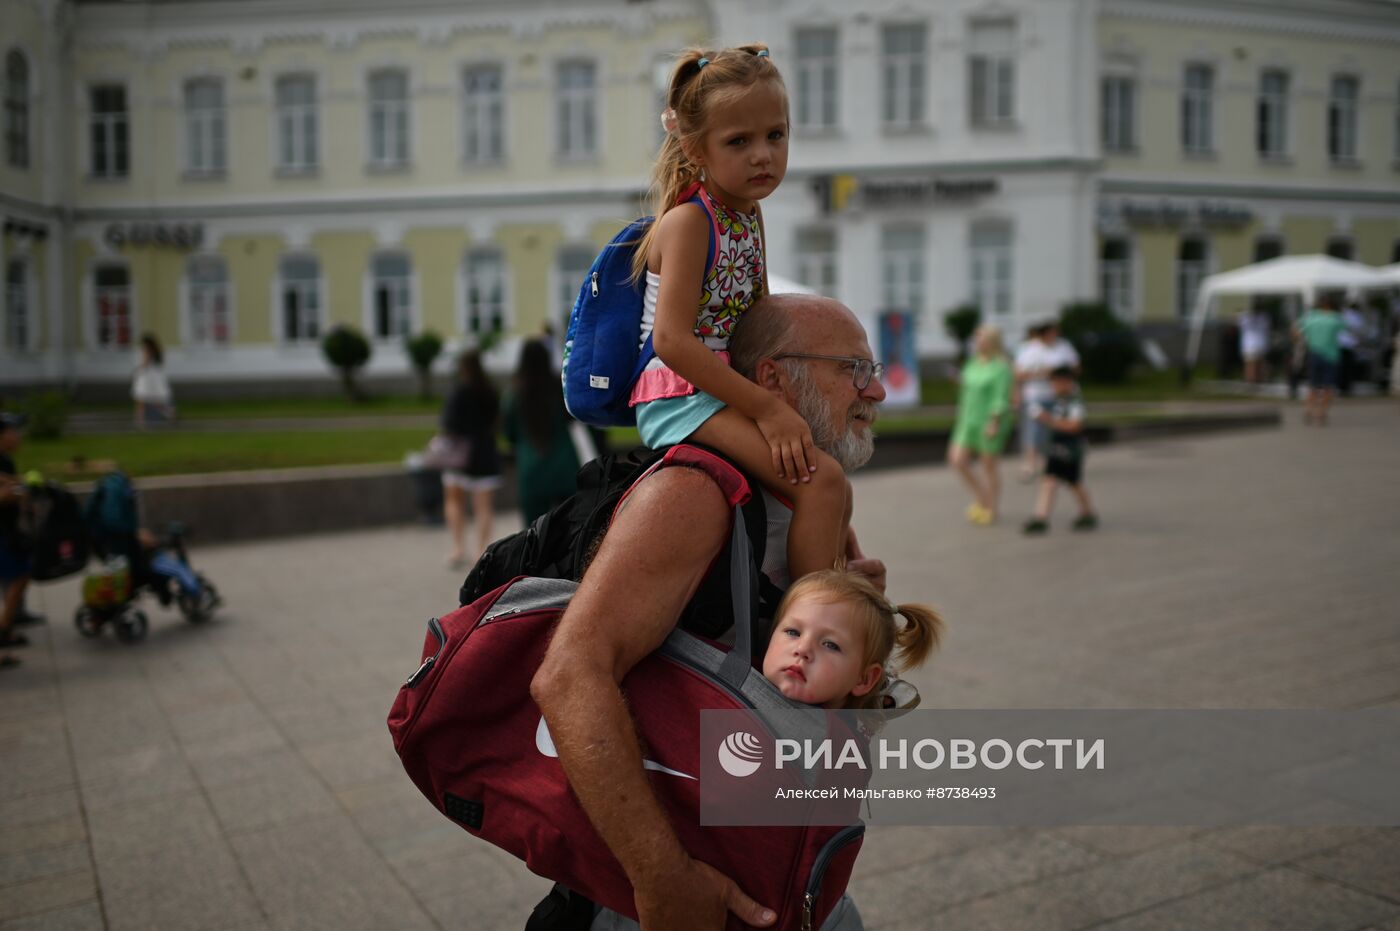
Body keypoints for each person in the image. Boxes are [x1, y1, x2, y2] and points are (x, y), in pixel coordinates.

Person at [531, 294, 885, 931]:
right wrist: (663, 879)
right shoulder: (693, 493)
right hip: (676, 880)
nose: (878, 390)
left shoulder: (819, 503)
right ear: (773, 378)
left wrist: (860, 640)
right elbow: (569, 675)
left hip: (773, 852)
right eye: (853, 369)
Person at [630, 43, 849, 584]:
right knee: (820, 481)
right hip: (679, 396)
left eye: (776, 135)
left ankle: (838, 576)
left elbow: (759, 320)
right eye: (739, 141)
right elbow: (672, 342)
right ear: (695, 148)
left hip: (722, 385)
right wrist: (769, 410)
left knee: (821, 463)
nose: (763, 155)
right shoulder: (690, 223)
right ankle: (805, 624)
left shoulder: (747, 217)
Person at [761, 569, 942, 709]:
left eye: (830, 645)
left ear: (863, 679)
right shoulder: (735, 671)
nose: (803, 649)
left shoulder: (836, 749)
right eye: (793, 632)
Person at [504, 339, 582, 525]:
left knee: (533, 535)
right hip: (564, 468)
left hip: (531, 470)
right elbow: (575, 419)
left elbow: (509, 433)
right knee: (569, 530)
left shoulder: (515, 394)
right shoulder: (559, 389)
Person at [440, 349, 502, 567]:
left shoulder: (457, 392)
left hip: (459, 455)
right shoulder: (490, 391)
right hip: (485, 453)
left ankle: (459, 548)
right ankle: (480, 550)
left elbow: (448, 426)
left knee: (454, 500)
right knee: (483, 506)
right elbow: (497, 422)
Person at [948, 324, 1013, 525]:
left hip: (989, 420)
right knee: (957, 459)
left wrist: (994, 422)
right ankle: (982, 498)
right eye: (976, 339)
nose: (977, 343)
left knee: (988, 466)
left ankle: (991, 507)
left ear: (992, 342)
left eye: (981, 339)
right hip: (967, 420)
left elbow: (1001, 396)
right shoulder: (973, 363)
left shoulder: (1001, 367)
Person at [1023, 367, 1097, 534]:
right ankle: (1040, 517)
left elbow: (1075, 426)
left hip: (1071, 449)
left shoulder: (1075, 403)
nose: (1054, 386)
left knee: (1074, 483)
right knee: (1049, 480)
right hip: (1056, 448)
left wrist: (1048, 420)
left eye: (1057, 382)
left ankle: (1087, 513)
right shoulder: (1057, 401)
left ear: (1067, 382)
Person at [1013, 321, 1080, 481]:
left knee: (1055, 428)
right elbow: (1019, 374)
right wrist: (1043, 373)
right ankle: (1030, 464)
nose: (1054, 336)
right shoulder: (1030, 349)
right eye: (1050, 333)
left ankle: (1050, 462)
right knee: (1034, 429)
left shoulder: (1064, 346)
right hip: (1036, 395)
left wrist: (1060, 374)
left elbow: (1076, 368)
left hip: (1058, 395)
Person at [1, 413, 32, 667]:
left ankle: (6, 628)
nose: (18, 436)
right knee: (19, 576)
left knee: (20, 576)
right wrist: (19, 493)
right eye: (14, 431)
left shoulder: (6, 462)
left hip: (8, 532)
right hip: (3, 533)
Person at [1296, 297, 1345, 426]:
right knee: (1328, 386)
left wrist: (1305, 341)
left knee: (1313, 385)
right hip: (1331, 356)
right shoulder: (1335, 318)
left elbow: (1296, 330)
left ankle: (1308, 409)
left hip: (1314, 354)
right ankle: (1321, 413)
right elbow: (1350, 329)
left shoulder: (1310, 317)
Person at [132, 334, 175, 427]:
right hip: (153, 378)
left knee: (142, 402)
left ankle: (141, 422)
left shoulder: (147, 351)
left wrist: (137, 370)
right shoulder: (158, 351)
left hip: (146, 379)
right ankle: (169, 414)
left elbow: (144, 363)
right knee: (155, 400)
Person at [1237, 306, 1271, 385]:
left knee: (1257, 365)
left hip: (1256, 344)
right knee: (1252, 364)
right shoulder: (1247, 316)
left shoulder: (1262, 317)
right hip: (1252, 344)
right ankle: (1251, 381)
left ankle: (1256, 381)